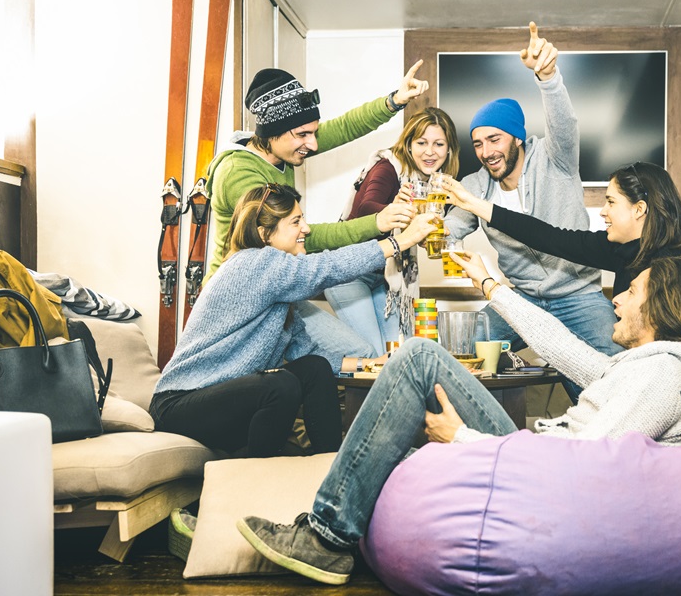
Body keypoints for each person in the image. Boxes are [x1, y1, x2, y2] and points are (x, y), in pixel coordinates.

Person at [237, 254, 681, 584]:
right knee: (398, 442)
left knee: (417, 358)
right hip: (532, 453)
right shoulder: (644, 366)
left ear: (664, 307)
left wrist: (463, 437)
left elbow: (584, 468)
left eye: (632, 292)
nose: (616, 299)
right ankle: (315, 526)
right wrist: (489, 283)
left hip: (540, 474)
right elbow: (560, 346)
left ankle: (326, 536)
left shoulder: (664, 373)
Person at [150, 183, 439, 458]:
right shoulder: (254, 262)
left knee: (313, 368)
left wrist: (373, 363)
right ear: (265, 234)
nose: (307, 229)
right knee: (281, 384)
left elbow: (309, 354)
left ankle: (329, 465)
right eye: (296, 221)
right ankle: (256, 482)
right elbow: (328, 268)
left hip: (222, 402)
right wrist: (400, 241)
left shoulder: (279, 288)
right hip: (180, 405)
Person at [202, 63, 429, 367]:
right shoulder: (240, 173)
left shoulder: (282, 149)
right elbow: (302, 236)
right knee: (358, 357)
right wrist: (378, 222)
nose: (314, 144)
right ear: (273, 133)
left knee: (341, 364)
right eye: (303, 135)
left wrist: (394, 101)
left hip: (278, 286)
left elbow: (344, 127)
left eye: (314, 132)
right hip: (237, 301)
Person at [442, 22, 622, 377]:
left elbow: (564, 122)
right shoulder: (475, 185)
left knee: (606, 378)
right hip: (521, 298)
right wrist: (432, 229)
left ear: (517, 139)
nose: (486, 151)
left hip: (579, 295)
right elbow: (449, 231)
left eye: (495, 140)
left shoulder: (556, 159)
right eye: (478, 143)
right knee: (457, 352)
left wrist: (548, 76)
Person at [443, 161, 681, 297]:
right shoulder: (619, 249)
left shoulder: (672, 270)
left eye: (611, 202)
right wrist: (474, 204)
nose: (603, 211)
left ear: (639, 209)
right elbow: (548, 237)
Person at [324, 107, 460, 354]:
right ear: (408, 145)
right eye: (422, 143)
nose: (430, 152)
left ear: (449, 149)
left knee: (398, 354)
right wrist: (396, 209)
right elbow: (366, 207)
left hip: (383, 278)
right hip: (348, 272)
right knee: (374, 355)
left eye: (439, 144)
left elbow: (420, 236)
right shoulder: (388, 167)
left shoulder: (434, 186)